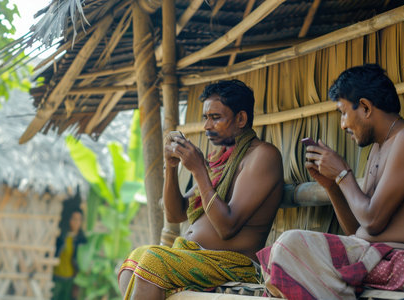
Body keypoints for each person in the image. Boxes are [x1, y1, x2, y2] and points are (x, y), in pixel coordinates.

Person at [257, 64, 404, 299]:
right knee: (276, 258)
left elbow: (372, 222)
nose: (342, 124)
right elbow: (357, 228)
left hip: (399, 263)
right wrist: (332, 185)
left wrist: (343, 174)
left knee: (289, 244)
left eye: (343, 112)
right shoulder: (380, 147)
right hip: (368, 255)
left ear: (364, 107)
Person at [118, 79, 284, 299]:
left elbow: (227, 227)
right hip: (195, 256)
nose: (207, 126)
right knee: (135, 259)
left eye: (215, 118)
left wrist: (198, 170)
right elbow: (175, 214)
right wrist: (171, 166)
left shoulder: (262, 156)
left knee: (153, 261)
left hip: (235, 263)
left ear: (241, 118)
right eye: (206, 117)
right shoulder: (221, 161)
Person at [52, 208, 87, 300]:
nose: (76, 222)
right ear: (69, 220)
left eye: (79, 219)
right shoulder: (61, 237)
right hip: (56, 277)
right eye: (74, 219)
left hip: (71, 280)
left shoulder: (81, 240)